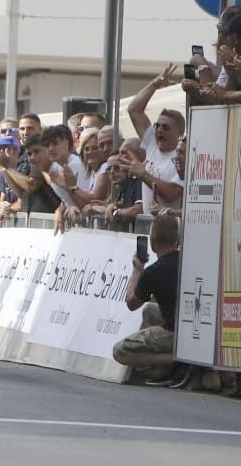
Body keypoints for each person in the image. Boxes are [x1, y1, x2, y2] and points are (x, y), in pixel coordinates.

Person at [113, 215, 179, 374]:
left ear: (153, 241)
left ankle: (176, 360)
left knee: (120, 351)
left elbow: (131, 303)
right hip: (191, 326)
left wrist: (137, 269)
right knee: (149, 310)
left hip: (174, 331)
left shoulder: (153, 272)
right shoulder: (189, 259)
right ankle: (162, 368)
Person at [126, 66, 185, 215]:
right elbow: (134, 110)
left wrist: (143, 174)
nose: (159, 130)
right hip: (149, 225)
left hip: (170, 228)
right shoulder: (152, 144)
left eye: (166, 127)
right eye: (157, 126)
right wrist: (154, 85)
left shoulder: (182, 157)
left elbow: (172, 193)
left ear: (180, 132)